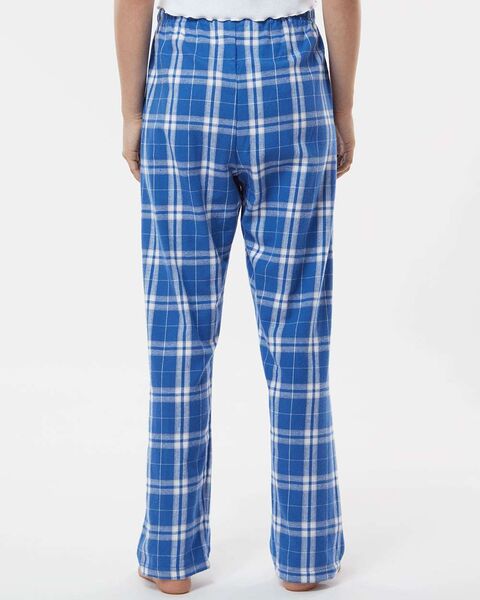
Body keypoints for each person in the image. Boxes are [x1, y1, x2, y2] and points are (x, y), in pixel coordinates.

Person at [114, 0, 360, 593]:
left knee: (178, 335)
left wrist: (131, 111)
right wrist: (343, 107)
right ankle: (305, 555)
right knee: (297, 332)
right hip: (291, 79)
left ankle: (170, 554)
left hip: (185, 81)